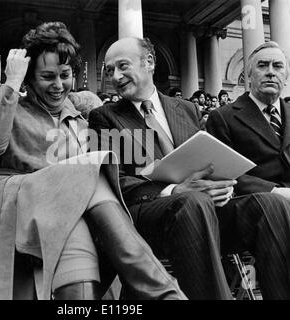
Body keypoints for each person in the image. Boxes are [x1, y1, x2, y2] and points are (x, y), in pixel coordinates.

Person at [0, 22, 185, 300]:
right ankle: (165, 293)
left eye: (65, 74)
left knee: (78, 212)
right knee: (89, 174)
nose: (58, 85)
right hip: (15, 211)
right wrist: (10, 83)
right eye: (48, 76)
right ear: (30, 78)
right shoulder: (12, 106)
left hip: (65, 216)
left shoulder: (81, 121)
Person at [88, 36, 290, 299]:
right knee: (193, 201)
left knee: (270, 204)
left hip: (205, 210)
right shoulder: (104, 117)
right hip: (149, 216)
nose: (115, 76)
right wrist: (174, 190)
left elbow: (211, 161)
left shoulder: (188, 109)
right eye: (109, 70)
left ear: (149, 63)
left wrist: (222, 187)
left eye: (122, 66)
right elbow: (115, 181)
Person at [207, 41, 290, 198]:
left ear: (286, 77)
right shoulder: (223, 117)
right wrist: (275, 191)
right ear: (249, 75)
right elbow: (222, 172)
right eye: (263, 65)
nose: (270, 72)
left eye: (278, 66)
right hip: (258, 202)